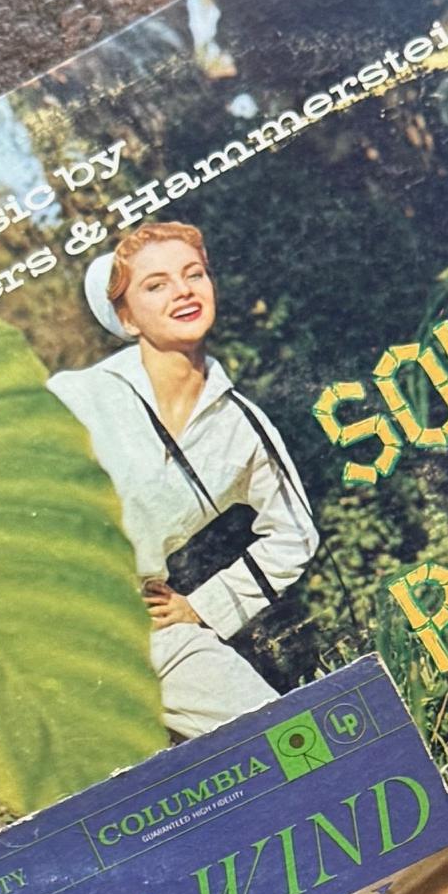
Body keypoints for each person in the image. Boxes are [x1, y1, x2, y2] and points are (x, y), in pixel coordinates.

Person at [48, 220, 319, 738]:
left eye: (194, 274)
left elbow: (295, 534)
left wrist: (201, 606)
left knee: (289, 739)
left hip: (146, 631)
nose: (183, 291)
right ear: (126, 317)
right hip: (43, 628)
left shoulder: (242, 425)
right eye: (156, 285)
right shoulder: (77, 397)